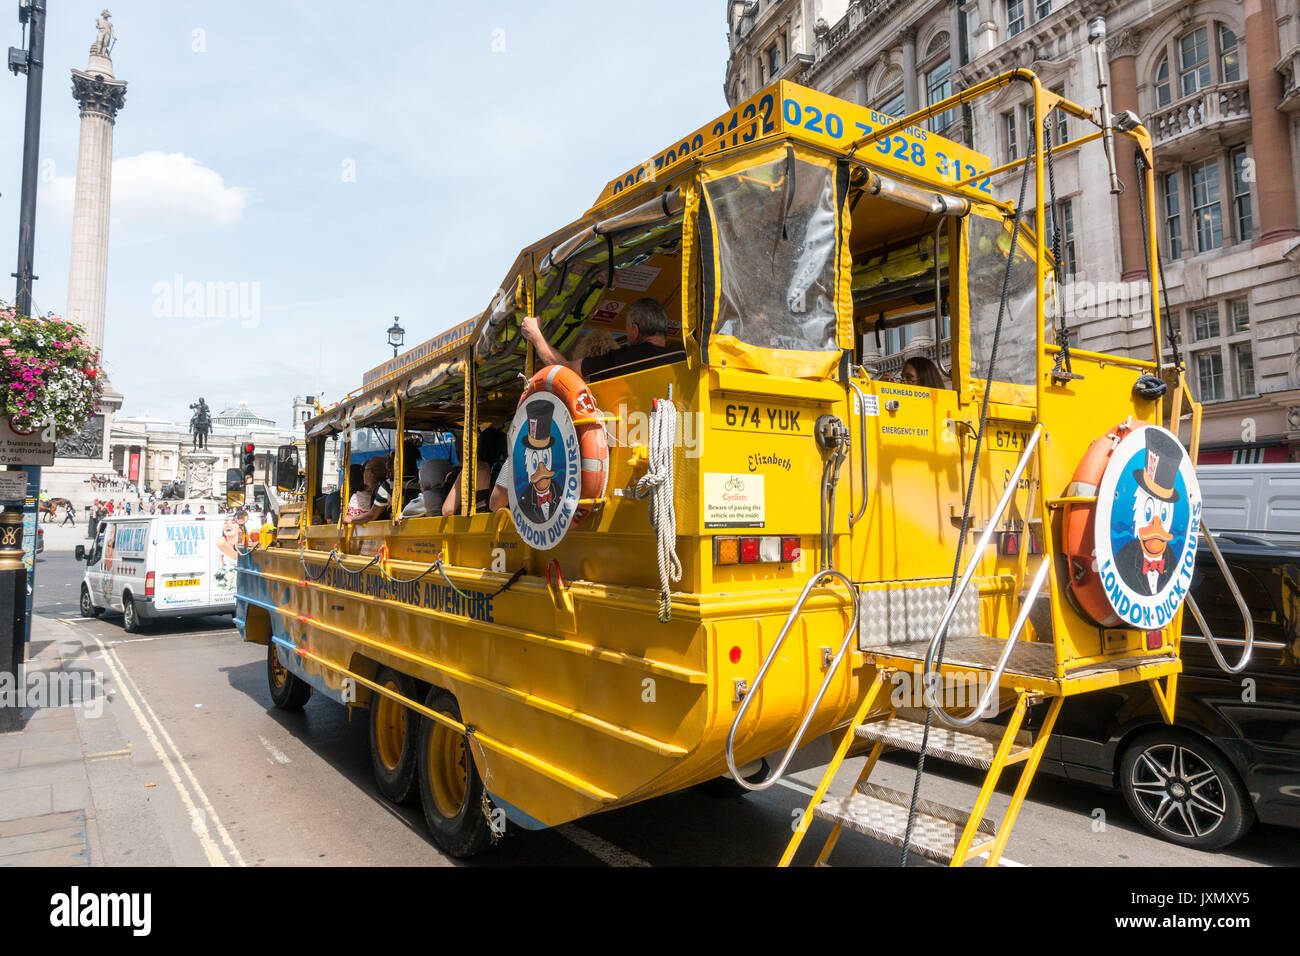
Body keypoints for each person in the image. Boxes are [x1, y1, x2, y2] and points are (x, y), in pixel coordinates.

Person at [519, 297, 672, 379]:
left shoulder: (621, 359)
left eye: (627, 328)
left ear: (635, 330)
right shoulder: (683, 358)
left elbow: (565, 369)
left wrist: (536, 335)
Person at [442, 426, 508, 516]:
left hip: (473, 526)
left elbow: (447, 510)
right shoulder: (506, 470)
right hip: (501, 525)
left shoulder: (469, 470)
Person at [344, 456, 388, 524]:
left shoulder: (381, 491)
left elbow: (370, 516)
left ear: (370, 473)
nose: (363, 473)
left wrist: (351, 519)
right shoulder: (382, 489)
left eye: (364, 470)